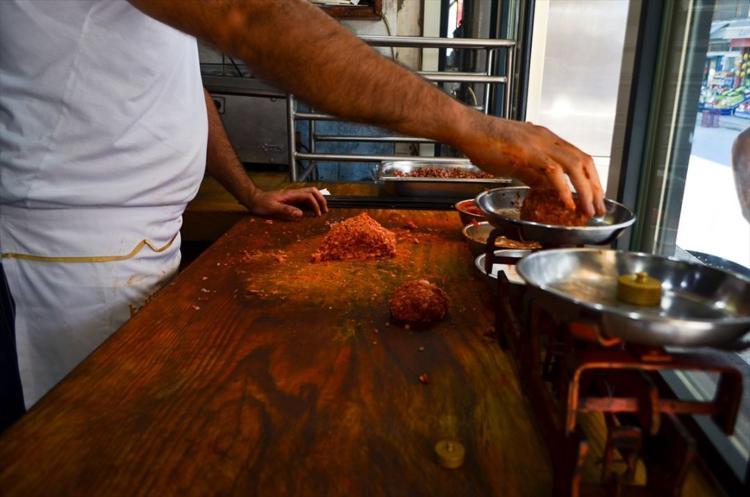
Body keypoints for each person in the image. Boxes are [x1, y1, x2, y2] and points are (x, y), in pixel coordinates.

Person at [0, 0, 605, 425]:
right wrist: (473, 128)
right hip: (68, 258)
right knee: (98, 449)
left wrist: (247, 193)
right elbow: (253, 16)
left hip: (141, 242)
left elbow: (180, 83)